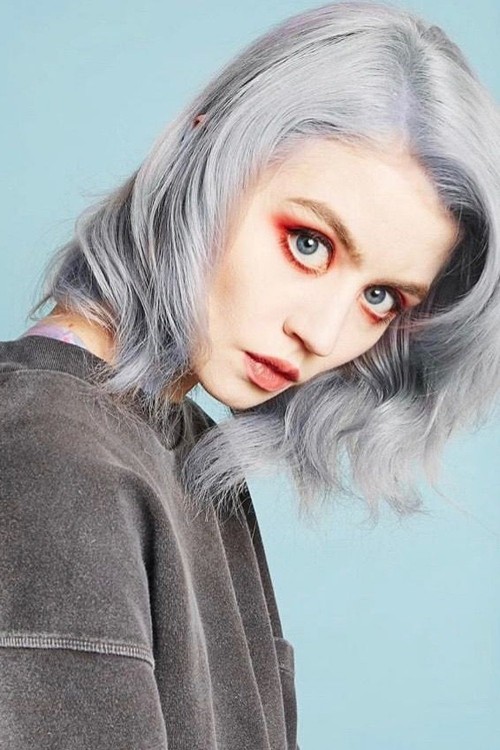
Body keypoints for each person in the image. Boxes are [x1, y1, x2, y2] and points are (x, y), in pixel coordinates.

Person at [1, 1, 499, 747]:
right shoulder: (53, 456)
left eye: (380, 298)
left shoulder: (185, 453)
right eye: (309, 242)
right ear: (202, 154)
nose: (322, 334)